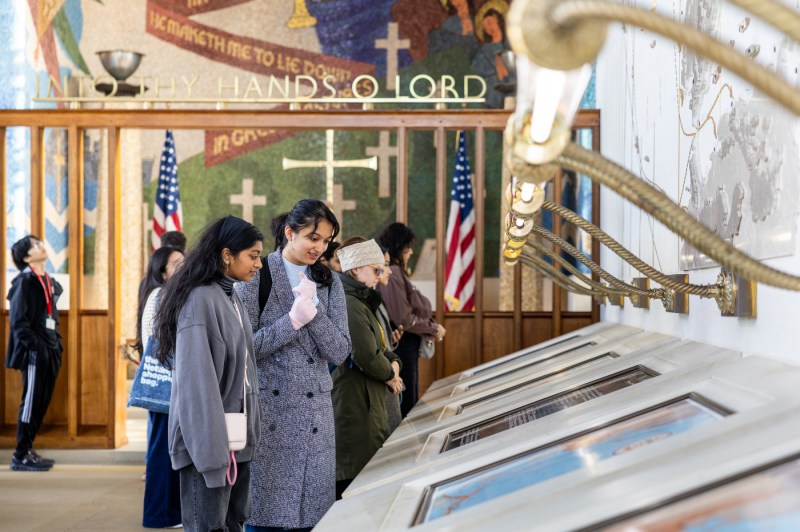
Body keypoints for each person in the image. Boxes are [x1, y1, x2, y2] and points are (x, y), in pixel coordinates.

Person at [235, 199, 351, 532]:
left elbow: (340, 350)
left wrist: (313, 316)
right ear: (289, 232)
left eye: (326, 240)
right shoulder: (258, 274)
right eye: (313, 238)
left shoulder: (329, 281)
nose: (320, 247)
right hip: (270, 413)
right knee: (265, 518)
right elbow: (245, 347)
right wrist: (291, 322)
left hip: (317, 418)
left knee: (311, 519)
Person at [152, 215, 263, 531]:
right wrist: (213, 458)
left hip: (232, 440)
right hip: (209, 448)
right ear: (227, 255)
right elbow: (196, 387)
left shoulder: (231, 296)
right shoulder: (201, 299)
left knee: (233, 523)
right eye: (252, 256)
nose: (258, 264)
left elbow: (244, 372)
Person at [332, 238, 403, 499]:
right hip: (355, 404)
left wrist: (394, 365)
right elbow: (365, 354)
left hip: (368, 402)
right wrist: (389, 372)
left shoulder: (361, 301)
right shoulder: (350, 304)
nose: (380, 276)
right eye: (375, 270)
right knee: (353, 488)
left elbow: (383, 349)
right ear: (355, 270)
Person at [135, 245, 184, 528]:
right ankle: (158, 515)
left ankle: (169, 512)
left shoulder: (168, 294)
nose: (183, 265)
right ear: (162, 272)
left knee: (169, 449)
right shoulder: (159, 295)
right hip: (165, 381)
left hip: (172, 381)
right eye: (176, 263)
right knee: (161, 451)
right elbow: (160, 342)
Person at [377, 223, 446, 418]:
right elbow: (403, 318)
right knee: (407, 404)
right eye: (408, 247)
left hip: (407, 343)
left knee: (409, 399)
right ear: (399, 246)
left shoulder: (397, 272)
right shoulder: (394, 272)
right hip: (402, 344)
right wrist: (433, 328)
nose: (411, 252)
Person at [6, 235, 62, 472]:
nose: (42, 245)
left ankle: (28, 450)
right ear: (27, 257)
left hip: (50, 347)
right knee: (30, 402)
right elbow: (18, 322)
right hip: (35, 351)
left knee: (42, 401)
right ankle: (20, 454)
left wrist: (56, 343)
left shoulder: (47, 280)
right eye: (35, 245)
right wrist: (35, 346)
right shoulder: (25, 282)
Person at [376, 245, 404, 434]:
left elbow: (382, 343)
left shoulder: (374, 297)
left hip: (389, 376)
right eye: (384, 265)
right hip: (381, 381)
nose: (388, 271)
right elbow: (365, 352)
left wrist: (392, 344)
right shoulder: (357, 301)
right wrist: (390, 375)